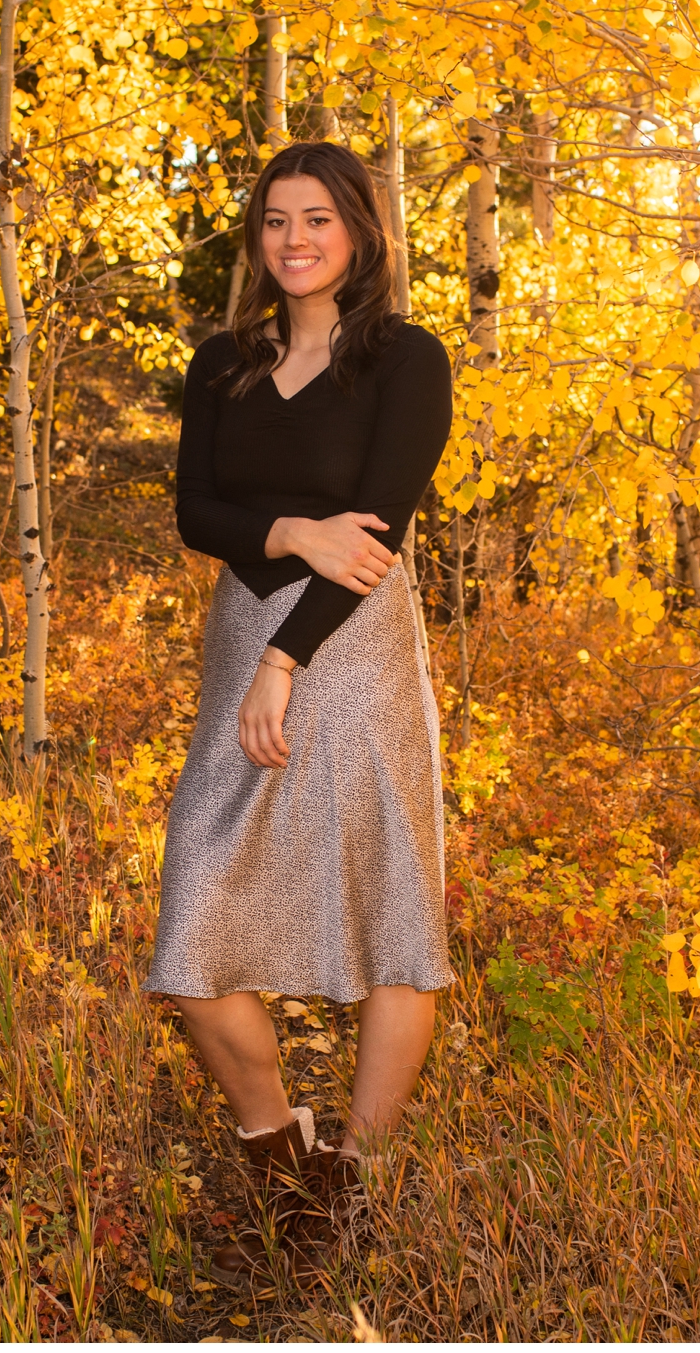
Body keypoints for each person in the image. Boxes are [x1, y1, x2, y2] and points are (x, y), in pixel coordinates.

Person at [148, 140, 455, 1283]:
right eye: (275, 220)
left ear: (360, 232)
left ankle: (354, 1180)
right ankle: (279, 1148)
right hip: (241, 636)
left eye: (317, 218)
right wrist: (281, 535)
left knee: (390, 909)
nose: (294, 240)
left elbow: (375, 528)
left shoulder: (406, 360)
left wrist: (289, 654)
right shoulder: (223, 360)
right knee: (192, 926)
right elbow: (199, 511)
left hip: (355, 643)